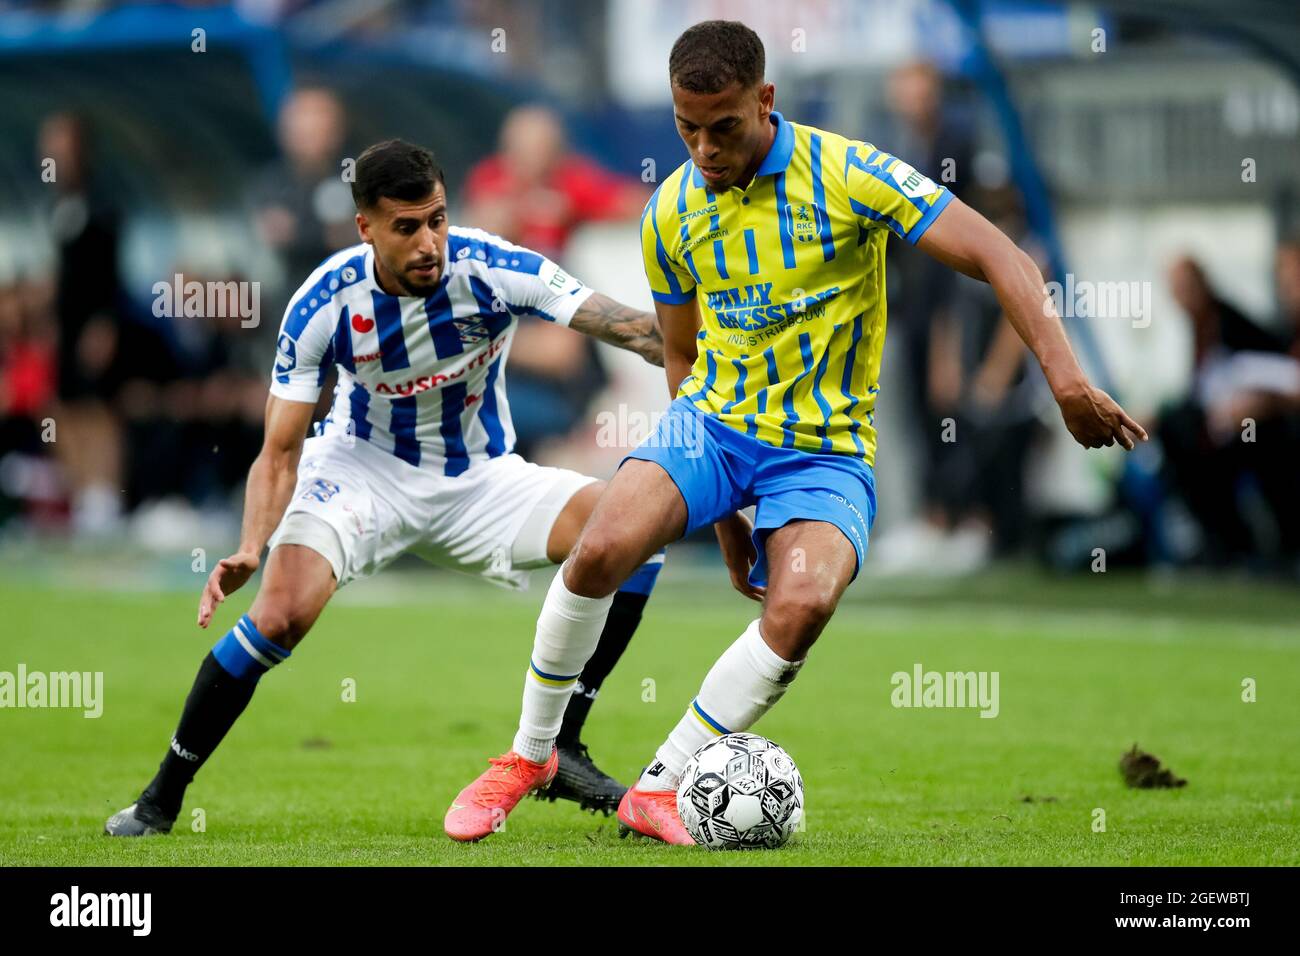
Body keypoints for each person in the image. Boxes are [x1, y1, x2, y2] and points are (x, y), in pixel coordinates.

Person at [445, 20, 1146, 845]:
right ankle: (530, 756)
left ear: (765, 99)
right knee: (601, 546)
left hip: (825, 449)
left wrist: (1067, 381)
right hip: (712, 425)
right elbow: (680, 354)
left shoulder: (847, 173)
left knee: (804, 601)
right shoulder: (670, 211)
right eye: (686, 128)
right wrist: (721, 516)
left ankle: (661, 785)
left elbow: (1001, 254)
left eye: (723, 127)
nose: (703, 149)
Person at [105, 139, 666, 837]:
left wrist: (729, 358)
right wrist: (252, 544)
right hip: (359, 470)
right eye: (407, 226)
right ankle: (159, 800)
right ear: (365, 226)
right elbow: (279, 451)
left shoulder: (494, 268)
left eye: (437, 219)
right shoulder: (324, 302)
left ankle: (563, 746)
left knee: (633, 534)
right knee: (279, 616)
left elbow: (639, 332)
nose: (429, 242)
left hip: (479, 479)